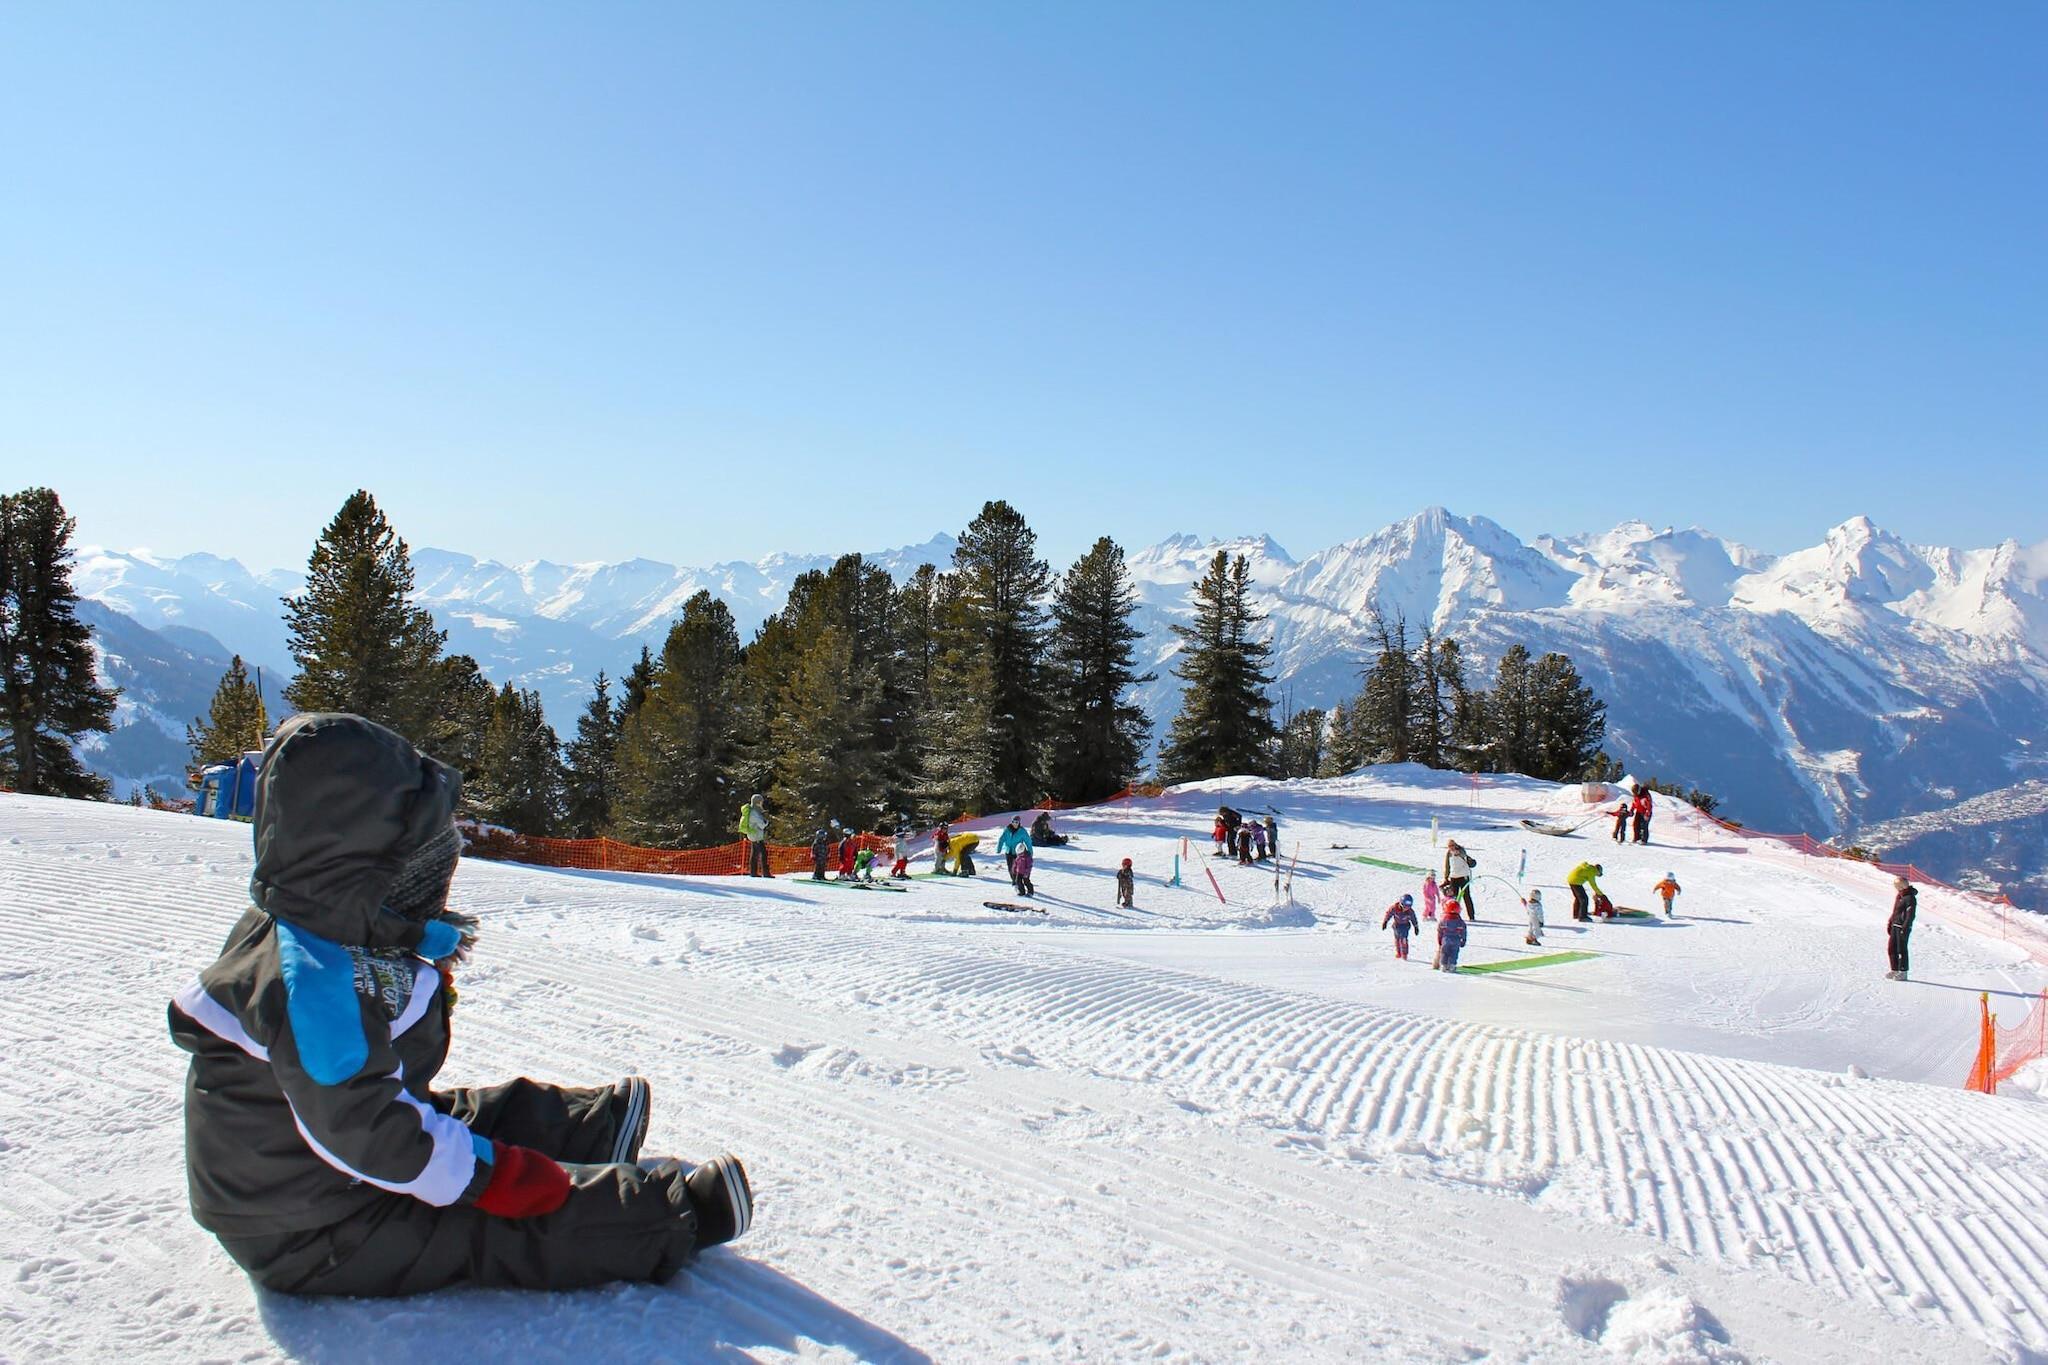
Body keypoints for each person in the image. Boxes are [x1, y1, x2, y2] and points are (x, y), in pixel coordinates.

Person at [167, 713, 751, 1298]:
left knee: (456, 1117)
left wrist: (409, 932)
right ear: (369, 875)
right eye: (423, 874)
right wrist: (500, 1178)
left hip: (312, 1165)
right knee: (494, 1224)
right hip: (311, 1227)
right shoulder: (310, 987)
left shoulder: (319, 926)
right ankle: (665, 1216)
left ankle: (586, 1127)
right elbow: (372, 1133)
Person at [1887, 876, 1917, 980]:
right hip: (1895, 925)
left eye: (1897, 886)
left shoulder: (1910, 898)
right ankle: (1895, 969)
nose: (1896, 888)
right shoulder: (1900, 896)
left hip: (1902, 927)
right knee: (1892, 948)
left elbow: (1910, 915)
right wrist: (1890, 922)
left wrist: (1905, 927)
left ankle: (1903, 972)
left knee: (1901, 949)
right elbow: (1895, 912)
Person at [1442, 840, 1478, 921]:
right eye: (1449, 846)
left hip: (1463, 876)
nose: (1451, 848)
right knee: (1453, 898)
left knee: (1466, 896)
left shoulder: (1461, 851)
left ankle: (1471, 916)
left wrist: (1459, 853)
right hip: (1454, 877)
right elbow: (1447, 865)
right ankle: (1453, 914)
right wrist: (1446, 877)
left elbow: (1465, 856)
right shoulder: (1449, 853)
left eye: (1452, 845)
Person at [738, 794, 770, 877]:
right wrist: (766, 821)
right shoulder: (754, 813)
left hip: (753, 835)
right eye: (760, 802)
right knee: (763, 853)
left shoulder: (753, 811)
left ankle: (753, 872)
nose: (761, 803)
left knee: (755, 853)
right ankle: (765, 872)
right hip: (756, 836)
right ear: (757, 802)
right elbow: (762, 824)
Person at [1382, 894, 1419, 961]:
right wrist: (1385, 922)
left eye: (1408, 907)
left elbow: (1413, 919)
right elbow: (1388, 914)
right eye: (1405, 907)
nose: (1406, 909)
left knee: (1404, 940)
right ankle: (1398, 952)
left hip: (1405, 926)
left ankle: (1404, 954)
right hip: (1396, 925)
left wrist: (1416, 926)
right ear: (1401, 904)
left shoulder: (1410, 911)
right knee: (1397, 939)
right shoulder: (1394, 908)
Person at [1436, 905, 1468, 973]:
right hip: (1456, 940)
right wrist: (1463, 939)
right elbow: (1464, 931)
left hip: (1446, 939)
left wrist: (1439, 939)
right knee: (1454, 953)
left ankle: (1444, 965)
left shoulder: (1444, 920)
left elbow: (1439, 930)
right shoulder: (1460, 921)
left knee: (1444, 952)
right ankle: (1452, 965)